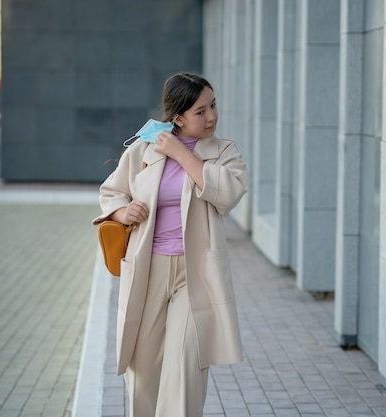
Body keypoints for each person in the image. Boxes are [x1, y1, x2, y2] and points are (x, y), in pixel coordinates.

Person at [92, 73, 249, 417]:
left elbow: (228, 194)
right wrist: (122, 211)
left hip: (196, 275)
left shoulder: (224, 151)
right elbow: (112, 191)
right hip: (148, 269)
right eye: (200, 111)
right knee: (144, 370)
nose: (211, 117)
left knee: (185, 369)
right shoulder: (145, 147)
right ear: (177, 117)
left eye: (213, 106)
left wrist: (181, 153)